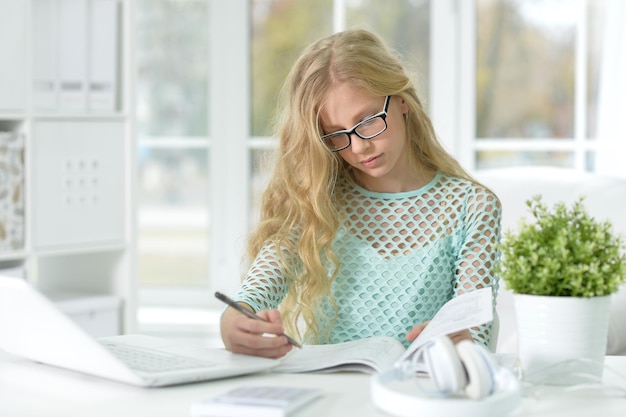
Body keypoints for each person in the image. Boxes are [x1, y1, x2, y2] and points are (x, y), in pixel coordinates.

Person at [220, 29, 502, 359]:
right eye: (336, 134)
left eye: (367, 120)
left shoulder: (473, 207)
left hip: (417, 397)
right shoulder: (316, 201)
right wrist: (234, 320)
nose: (358, 146)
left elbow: (476, 330)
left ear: (401, 100)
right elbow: (257, 291)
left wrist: (459, 341)